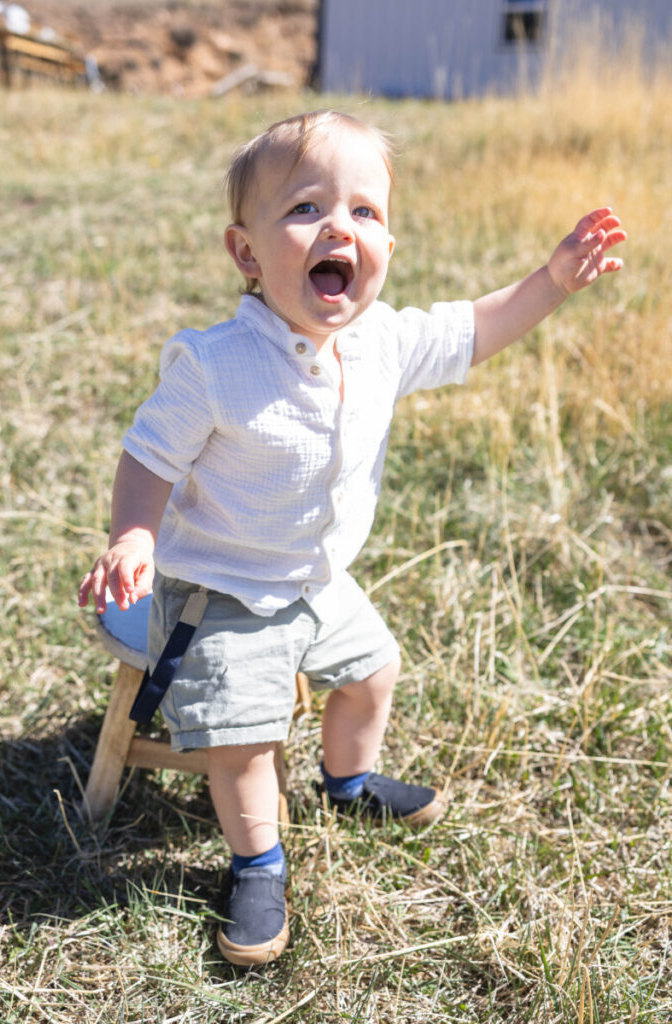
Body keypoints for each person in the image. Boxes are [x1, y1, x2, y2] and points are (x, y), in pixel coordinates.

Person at [78, 109, 626, 966]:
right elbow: (147, 456)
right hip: (219, 593)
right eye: (304, 209)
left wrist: (551, 280)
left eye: (364, 212)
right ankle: (257, 861)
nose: (339, 227)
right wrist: (134, 536)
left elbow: (477, 327)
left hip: (315, 579)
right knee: (242, 743)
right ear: (247, 253)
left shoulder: (380, 343)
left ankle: (348, 781)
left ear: (387, 248)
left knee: (374, 672)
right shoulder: (217, 364)